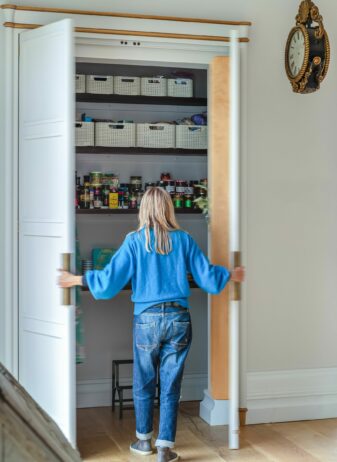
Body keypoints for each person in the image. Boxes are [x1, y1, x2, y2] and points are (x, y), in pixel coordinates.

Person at [59, 186, 245, 462]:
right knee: (171, 385)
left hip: (146, 320)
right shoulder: (184, 239)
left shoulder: (134, 241)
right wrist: (231, 274)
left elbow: (109, 282)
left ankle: (144, 441)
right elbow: (207, 278)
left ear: (143, 209)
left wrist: (75, 280)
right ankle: (165, 449)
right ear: (169, 208)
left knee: (143, 381)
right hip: (179, 319)